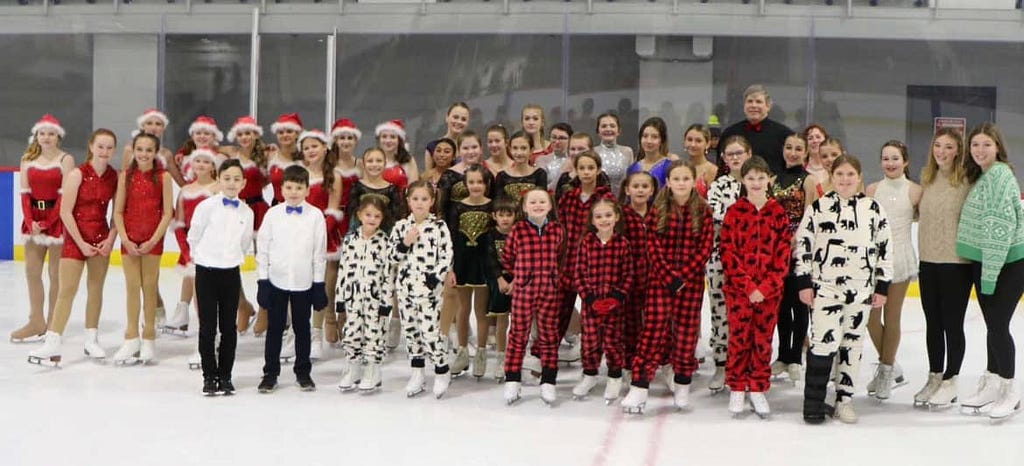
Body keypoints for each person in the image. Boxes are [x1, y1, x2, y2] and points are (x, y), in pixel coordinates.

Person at [796, 155, 892, 425]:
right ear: (832, 177)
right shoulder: (818, 208)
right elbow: (803, 245)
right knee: (823, 342)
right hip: (825, 289)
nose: (845, 179)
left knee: (852, 344)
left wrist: (882, 285)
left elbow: (885, 249)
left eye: (850, 174)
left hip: (861, 291)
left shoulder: (872, 209)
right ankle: (813, 402)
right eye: (840, 174)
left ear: (859, 176)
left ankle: (844, 400)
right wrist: (804, 282)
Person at [621, 161, 714, 414]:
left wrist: (683, 276)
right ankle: (639, 387)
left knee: (685, 333)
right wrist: (668, 275)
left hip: (691, 283)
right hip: (661, 282)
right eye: (677, 179)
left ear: (693, 181)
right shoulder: (658, 209)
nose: (681, 183)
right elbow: (653, 246)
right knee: (653, 330)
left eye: (686, 178)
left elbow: (704, 248)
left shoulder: (703, 211)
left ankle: (682, 382)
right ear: (668, 182)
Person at [27, 129, 118, 366]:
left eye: (109, 148)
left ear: (114, 150)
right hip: (76, 239)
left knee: (96, 289)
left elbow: (117, 213)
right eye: (100, 146)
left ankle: (91, 339)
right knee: (67, 290)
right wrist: (80, 243)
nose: (104, 151)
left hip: (100, 237)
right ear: (91, 146)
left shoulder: (114, 177)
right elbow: (66, 212)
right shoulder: (78, 174)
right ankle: (53, 341)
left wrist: (109, 240)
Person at [955, 123, 1024, 420]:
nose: (980, 150)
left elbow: (999, 230)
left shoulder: (999, 176)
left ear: (997, 147)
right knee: (993, 326)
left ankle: (1011, 389)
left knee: (998, 326)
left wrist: (990, 274)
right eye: (975, 145)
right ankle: (993, 381)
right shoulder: (984, 176)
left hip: (1006, 263)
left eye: (986, 144)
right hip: (987, 261)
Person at [720, 156, 793, 418]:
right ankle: (737, 386)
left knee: (762, 340)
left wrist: (766, 287)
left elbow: (783, 254)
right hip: (739, 291)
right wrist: (748, 286)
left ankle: (758, 386)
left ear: (769, 180)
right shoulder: (735, 212)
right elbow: (727, 253)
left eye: (761, 178)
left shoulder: (778, 213)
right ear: (744, 180)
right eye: (751, 178)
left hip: (769, 293)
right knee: (739, 338)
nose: (756, 182)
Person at [255, 165, 327, 393]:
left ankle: (303, 371)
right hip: (276, 280)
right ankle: (270, 373)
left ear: (307, 189)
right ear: (281, 188)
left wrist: (318, 284)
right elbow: (263, 249)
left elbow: (319, 253)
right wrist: (262, 281)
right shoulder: (272, 214)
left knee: (302, 328)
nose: (294, 191)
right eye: (289, 187)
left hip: (304, 283)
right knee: (275, 329)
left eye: (299, 187)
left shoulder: (315, 216)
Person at [915, 128, 972, 408]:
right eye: (938, 145)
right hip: (928, 262)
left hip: (956, 264)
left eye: (948, 147)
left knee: (952, 324)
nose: (942, 151)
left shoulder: (966, 181)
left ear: (958, 151)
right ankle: (935, 375)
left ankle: (951, 379)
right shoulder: (926, 179)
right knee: (933, 323)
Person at [188, 159, 254, 395]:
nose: (232, 183)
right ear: (219, 180)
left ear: (244, 183)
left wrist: (232, 258)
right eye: (227, 178)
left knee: (229, 326)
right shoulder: (206, 207)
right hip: (206, 271)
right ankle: (209, 375)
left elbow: (245, 242)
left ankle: (225, 375)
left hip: (230, 272)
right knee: (208, 326)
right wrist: (203, 257)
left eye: (237, 179)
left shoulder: (247, 212)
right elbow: (194, 235)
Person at [864, 140, 921, 400]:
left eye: (895, 158)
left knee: (893, 317)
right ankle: (889, 365)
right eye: (885, 158)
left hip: (900, 259)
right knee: (871, 319)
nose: (890, 163)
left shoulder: (916, 191)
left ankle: (885, 372)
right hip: (874, 261)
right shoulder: (872, 189)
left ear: (905, 161)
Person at [111, 133, 174, 365]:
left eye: (149, 150)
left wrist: (153, 240)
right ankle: (131, 338)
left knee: (149, 288)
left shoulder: (163, 177)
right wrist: (125, 239)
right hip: (129, 240)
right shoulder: (125, 176)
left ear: (156, 152)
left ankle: (148, 337)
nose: (144, 154)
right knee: (131, 288)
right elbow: (118, 211)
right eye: (140, 149)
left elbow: (168, 213)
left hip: (152, 241)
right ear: (133, 150)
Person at [12, 114, 75, 343]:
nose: (46, 137)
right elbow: (24, 194)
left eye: (50, 133)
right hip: (33, 221)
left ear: (58, 136)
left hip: (56, 220)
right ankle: (36, 320)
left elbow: (65, 195)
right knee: (32, 272)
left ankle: (52, 324)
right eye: (42, 133)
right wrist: (31, 223)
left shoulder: (65, 159)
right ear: (36, 136)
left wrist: (48, 222)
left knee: (55, 275)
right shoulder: (27, 159)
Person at [389, 181, 454, 399]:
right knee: (411, 331)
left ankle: (442, 370)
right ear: (408, 201)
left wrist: (434, 279)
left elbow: (447, 256)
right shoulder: (400, 226)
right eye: (415, 199)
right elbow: (391, 257)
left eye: (424, 199)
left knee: (430, 331)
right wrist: (405, 243)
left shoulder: (439, 227)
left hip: (429, 290)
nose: (419, 203)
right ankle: (417, 372)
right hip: (405, 289)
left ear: (432, 201)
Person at [501, 187, 566, 406]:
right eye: (533, 202)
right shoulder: (518, 230)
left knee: (548, 335)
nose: (537, 206)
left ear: (549, 205)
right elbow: (508, 257)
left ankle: (548, 380)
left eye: (542, 202)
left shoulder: (557, 230)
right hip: (523, 292)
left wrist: (552, 277)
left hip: (549, 290)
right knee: (518, 334)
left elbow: (560, 256)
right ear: (524, 207)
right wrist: (522, 277)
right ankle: (512, 378)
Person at [570, 198, 635, 404]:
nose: (604, 220)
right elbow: (579, 273)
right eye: (599, 216)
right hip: (591, 305)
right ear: (592, 220)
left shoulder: (622, 244)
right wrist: (589, 298)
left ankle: (615, 376)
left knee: (614, 341)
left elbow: (628, 274)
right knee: (590, 340)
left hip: (615, 306)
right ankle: (589, 374)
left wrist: (616, 297)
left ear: (616, 217)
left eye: (608, 215)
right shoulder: (587, 242)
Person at [705, 135, 753, 392]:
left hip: (752, 263)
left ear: (748, 153)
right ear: (723, 158)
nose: (734, 158)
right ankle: (722, 364)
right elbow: (716, 221)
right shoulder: (719, 185)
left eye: (739, 153)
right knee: (720, 313)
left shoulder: (757, 183)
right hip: (720, 260)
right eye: (729, 154)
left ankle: (745, 363)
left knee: (746, 314)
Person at [770, 133, 818, 382]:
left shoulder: (808, 181)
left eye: (798, 148)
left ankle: (796, 357)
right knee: (780, 306)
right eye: (788, 147)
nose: (793, 152)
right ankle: (783, 355)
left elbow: (812, 216)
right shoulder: (773, 179)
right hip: (776, 252)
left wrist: (797, 240)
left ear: (806, 153)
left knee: (799, 306)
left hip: (799, 251)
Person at [335, 196, 395, 393]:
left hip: (375, 299)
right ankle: (353, 368)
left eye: (377, 216)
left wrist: (386, 301)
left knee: (374, 334)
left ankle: (372, 370)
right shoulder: (351, 239)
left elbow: (388, 274)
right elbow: (343, 270)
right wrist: (340, 300)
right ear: (359, 215)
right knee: (351, 332)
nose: (372, 219)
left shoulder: (385, 242)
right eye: (368, 215)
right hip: (353, 297)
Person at [253, 112, 305, 337]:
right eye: (282, 131)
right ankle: (271, 311)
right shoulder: (270, 157)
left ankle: (296, 319)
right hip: (276, 211)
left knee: (295, 263)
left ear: (298, 134)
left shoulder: (306, 157)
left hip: (300, 214)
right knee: (272, 263)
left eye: (290, 131)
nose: (285, 135)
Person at [300, 129, 343, 362]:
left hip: (324, 237)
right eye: (306, 148)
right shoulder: (298, 174)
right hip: (299, 237)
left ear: (325, 147)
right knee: (297, 287)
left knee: (321, 288)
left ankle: (316, 336)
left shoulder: (333, 176)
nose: (310, 151)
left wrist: (317, 236)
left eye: (314, 146)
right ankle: (297, 335)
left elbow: (333, 209)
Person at [223, 115, 267, 335]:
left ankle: (265, 308)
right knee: (231, 260)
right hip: (235, 210)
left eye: (248, 133)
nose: (244, 137)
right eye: (240, 133)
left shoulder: (266, 155)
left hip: (258, 209)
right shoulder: (231, 154)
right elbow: (207, 146)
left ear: (255, 134)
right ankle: (242, 305)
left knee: (263, 262)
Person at [618, 171, 658, 376]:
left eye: (645, 186)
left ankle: (656, 360)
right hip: (630, 279)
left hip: (655, 278)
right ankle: (628, 363)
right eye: (636, 186)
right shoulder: (621, 216)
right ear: (627, 189)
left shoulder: (658, 213)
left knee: (655, 322)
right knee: (630, 321)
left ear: (652, 190)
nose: (640, 190)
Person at [717, 84, 794, 176]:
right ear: (744, 106)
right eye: (750, 101)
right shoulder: (730, 133)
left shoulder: (784, 134)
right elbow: (721, 164)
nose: (753, 105)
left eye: (758, 102)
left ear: (768, 106)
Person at [482, 197, 517, 382]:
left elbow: (524, 258)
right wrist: (500, 279)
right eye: (501, 215)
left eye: (508, 215)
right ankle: (500, 358)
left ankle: (517, 357)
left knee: (519, 322)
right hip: (500, 282)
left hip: (518, 281)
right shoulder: (490, 235)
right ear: (494, 216)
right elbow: (490, 259)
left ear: (515, 216)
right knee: (501, 320)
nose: (505, 219)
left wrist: (516, 280)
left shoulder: (519, 233)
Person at [123, 108, 183, 187]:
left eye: (158, 124)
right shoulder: (130, 149)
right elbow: (124, 179)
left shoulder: (166, 154)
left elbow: (179, 181)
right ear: (142, 126)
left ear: (163, 128)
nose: (153, 128)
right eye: (149, 123)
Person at [491, 131, 547, 204]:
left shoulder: (539, 174)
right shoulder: (502, 176)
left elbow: (542, 202)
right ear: (510, 149)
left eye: (523, 148)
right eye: (515, 148)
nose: (519, 153)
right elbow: (499, 204)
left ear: (531, 150)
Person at [593, 112, 634, 197]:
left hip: (622, 201)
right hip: (598, 200)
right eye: (604, 126)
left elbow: (631, 180)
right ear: (598, 131)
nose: (608, 129)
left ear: (619, 131)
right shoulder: (592, 152)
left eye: (612, 126)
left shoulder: (627, 152)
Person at [627, 117, 676, 188]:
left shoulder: (669, 167)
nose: (649, 141)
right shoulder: (633, 168)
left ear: (662, 140)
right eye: (645, 136)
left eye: (654, 137)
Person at [424, 102, 470, 171]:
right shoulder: (432, 146)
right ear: (447, 118)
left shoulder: (471, 149)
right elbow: (427, 177)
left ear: (467, 123)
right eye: (455, 117)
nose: (459, 121)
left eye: (463, 119)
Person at [377, 119, 419, 191]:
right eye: (384, 137)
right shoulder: (372, 159)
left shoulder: (409, 160)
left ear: (399, 140)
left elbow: (414, 189)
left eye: (392, 137)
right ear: (379, 140)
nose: (388, 141)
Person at [534, 122, 573, 192]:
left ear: (570, 140)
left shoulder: (575, 160)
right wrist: (562, 170)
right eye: (554, 137)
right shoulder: (542, 160)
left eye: (562, 138)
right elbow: (542, 188)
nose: (557, 141)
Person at [682, 124, 717, 198]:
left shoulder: (712, 170)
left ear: (707, 144)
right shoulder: (679, 167)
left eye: (698, 141)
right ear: (684, 142)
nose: (693, 144)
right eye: (689, 140)